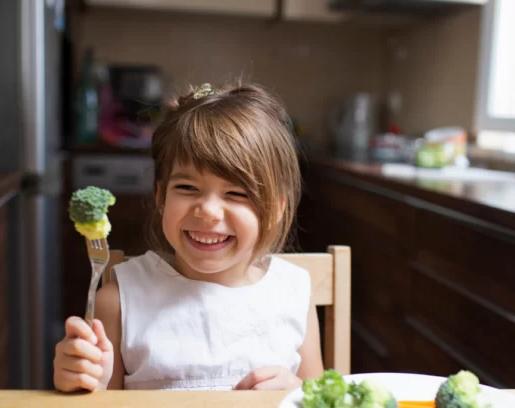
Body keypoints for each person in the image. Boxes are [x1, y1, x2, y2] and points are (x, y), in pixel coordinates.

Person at [53, 82, 324, 392]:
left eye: (236, 193)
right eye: (187, 188)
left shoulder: (293, 293)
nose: (208, 211)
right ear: (161, 197)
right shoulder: (118, 302)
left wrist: (297, 393)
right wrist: (80, 381)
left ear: (276, 209)